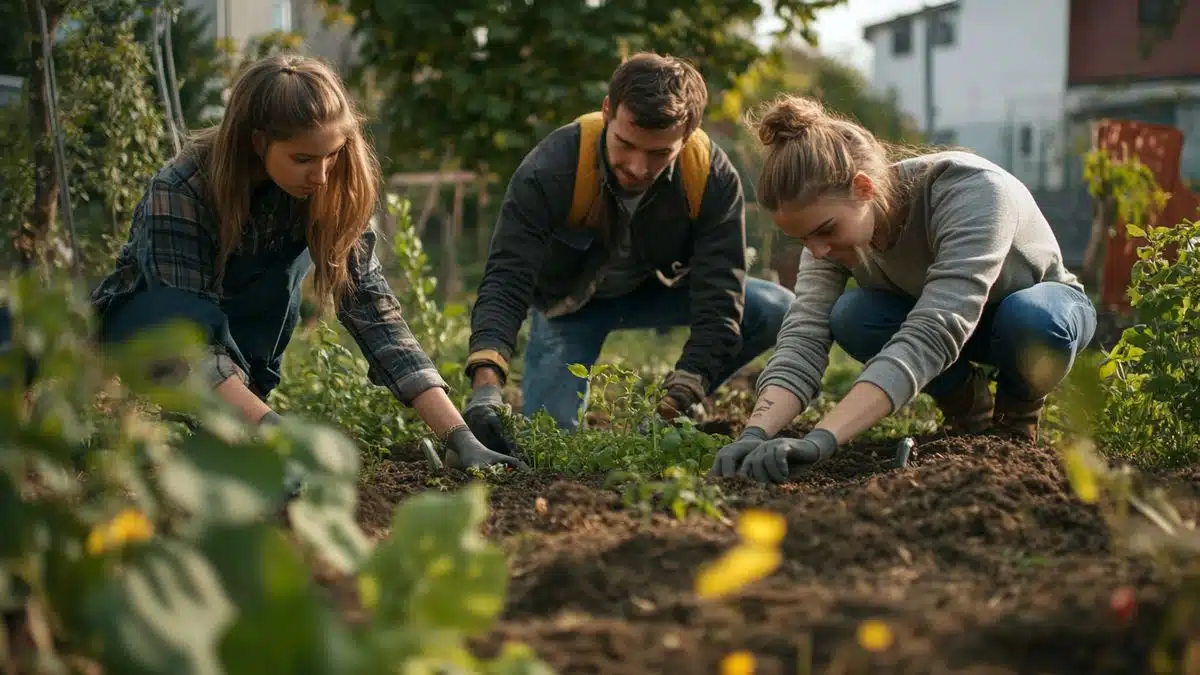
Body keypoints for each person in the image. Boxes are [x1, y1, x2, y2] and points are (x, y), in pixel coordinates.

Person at [72, 54, 524, 471]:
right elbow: (190, 340)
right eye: (304, 158)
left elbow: (370, 307)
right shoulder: (183, 189)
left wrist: (458, 435)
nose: (322, 174)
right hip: (149, 341)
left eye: (333, 154)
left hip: (245, 348)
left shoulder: (329, 187)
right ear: (257, 142)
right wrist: (279, 433)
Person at [711, 95, 1097, 484]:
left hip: (1035, 312)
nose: (817, 251)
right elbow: (803, 335)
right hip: (951, 327)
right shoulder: (828, 235)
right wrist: (755, 432)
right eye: (803, 239)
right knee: (852, 315)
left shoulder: (972, 192)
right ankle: (967, 404)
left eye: (826, 231)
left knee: (1031, 319)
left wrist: (821, 439)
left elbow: (936, 327)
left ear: (864, 189)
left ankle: (1017, 415)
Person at [458, 52, 796, 452]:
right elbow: (506, 279)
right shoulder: (550, 169)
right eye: (626, 144)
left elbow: (720, 297)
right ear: (607, 112)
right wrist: (486, 385)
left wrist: (678, 398)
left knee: (776, 306)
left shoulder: (710, 176)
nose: (637, 166)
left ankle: (686, 403)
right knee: (549, 444)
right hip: (571, 306)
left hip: (657, 291)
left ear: (687, 135)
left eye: (658, 155)